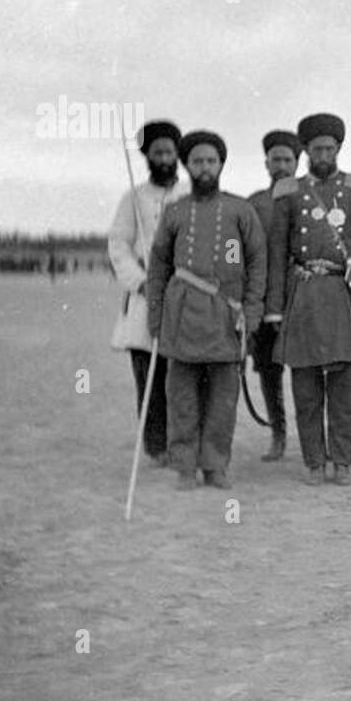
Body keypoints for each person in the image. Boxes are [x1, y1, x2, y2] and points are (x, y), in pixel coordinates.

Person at [147, 131, 267, 489]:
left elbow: (257, 262)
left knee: (222, 398)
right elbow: (158, 267)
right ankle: (184, 464)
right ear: (187, 166)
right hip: (182, 315)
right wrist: (156, 317)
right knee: (181, 396)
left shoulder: (239, 211)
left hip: (227, 318)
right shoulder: (175, 212)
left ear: (221, 165)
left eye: (211, 161)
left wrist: (252, 310)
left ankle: (215, 464)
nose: (204, 168)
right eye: (197, 161)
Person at [263, 114, 351, 486]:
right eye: (316, 149)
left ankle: (342, 460)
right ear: (306, 152)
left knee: (345, 385)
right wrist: (275, 309)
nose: (323, 154)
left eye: (329, 148)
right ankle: (314, 461)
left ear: (339, 149)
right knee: (306, 385)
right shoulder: (289, 192)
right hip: (303, 296)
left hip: (341, 294)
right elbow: (277, 253)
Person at [108, 120, 189, 469]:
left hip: (187, 292)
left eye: (169, 152)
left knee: (184, 373)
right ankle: (157, 445)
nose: (164, 158)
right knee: (149, 375)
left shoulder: (189, 193)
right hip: (145, 297)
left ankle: (185, 440)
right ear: (146, 157)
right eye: (157, 152)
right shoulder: (133, 196)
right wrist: (140, 281)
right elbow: (118, 245)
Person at [247, 129, 300, 462]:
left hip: (301, 299)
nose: (281, 165)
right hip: (265, 302)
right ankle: (278, 434)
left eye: (287, 159)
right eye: (275, 159)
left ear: (298, 163)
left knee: (309, 372)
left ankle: (316, 436)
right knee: (269, 371)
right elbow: (233, 249)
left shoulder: (309, 197)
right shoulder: (253, 204)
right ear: (266, 162)